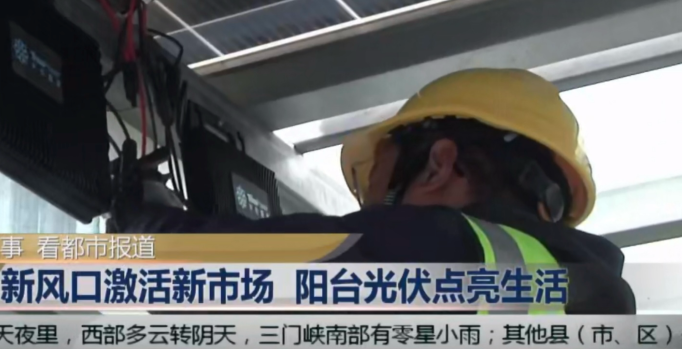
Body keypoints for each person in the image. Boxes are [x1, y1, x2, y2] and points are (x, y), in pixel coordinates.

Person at [115, 68, 636, 314]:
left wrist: (144, 218)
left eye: (381, 194)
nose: (369, 213)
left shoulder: (439, 248)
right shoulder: (591, 302)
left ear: (439, 165)